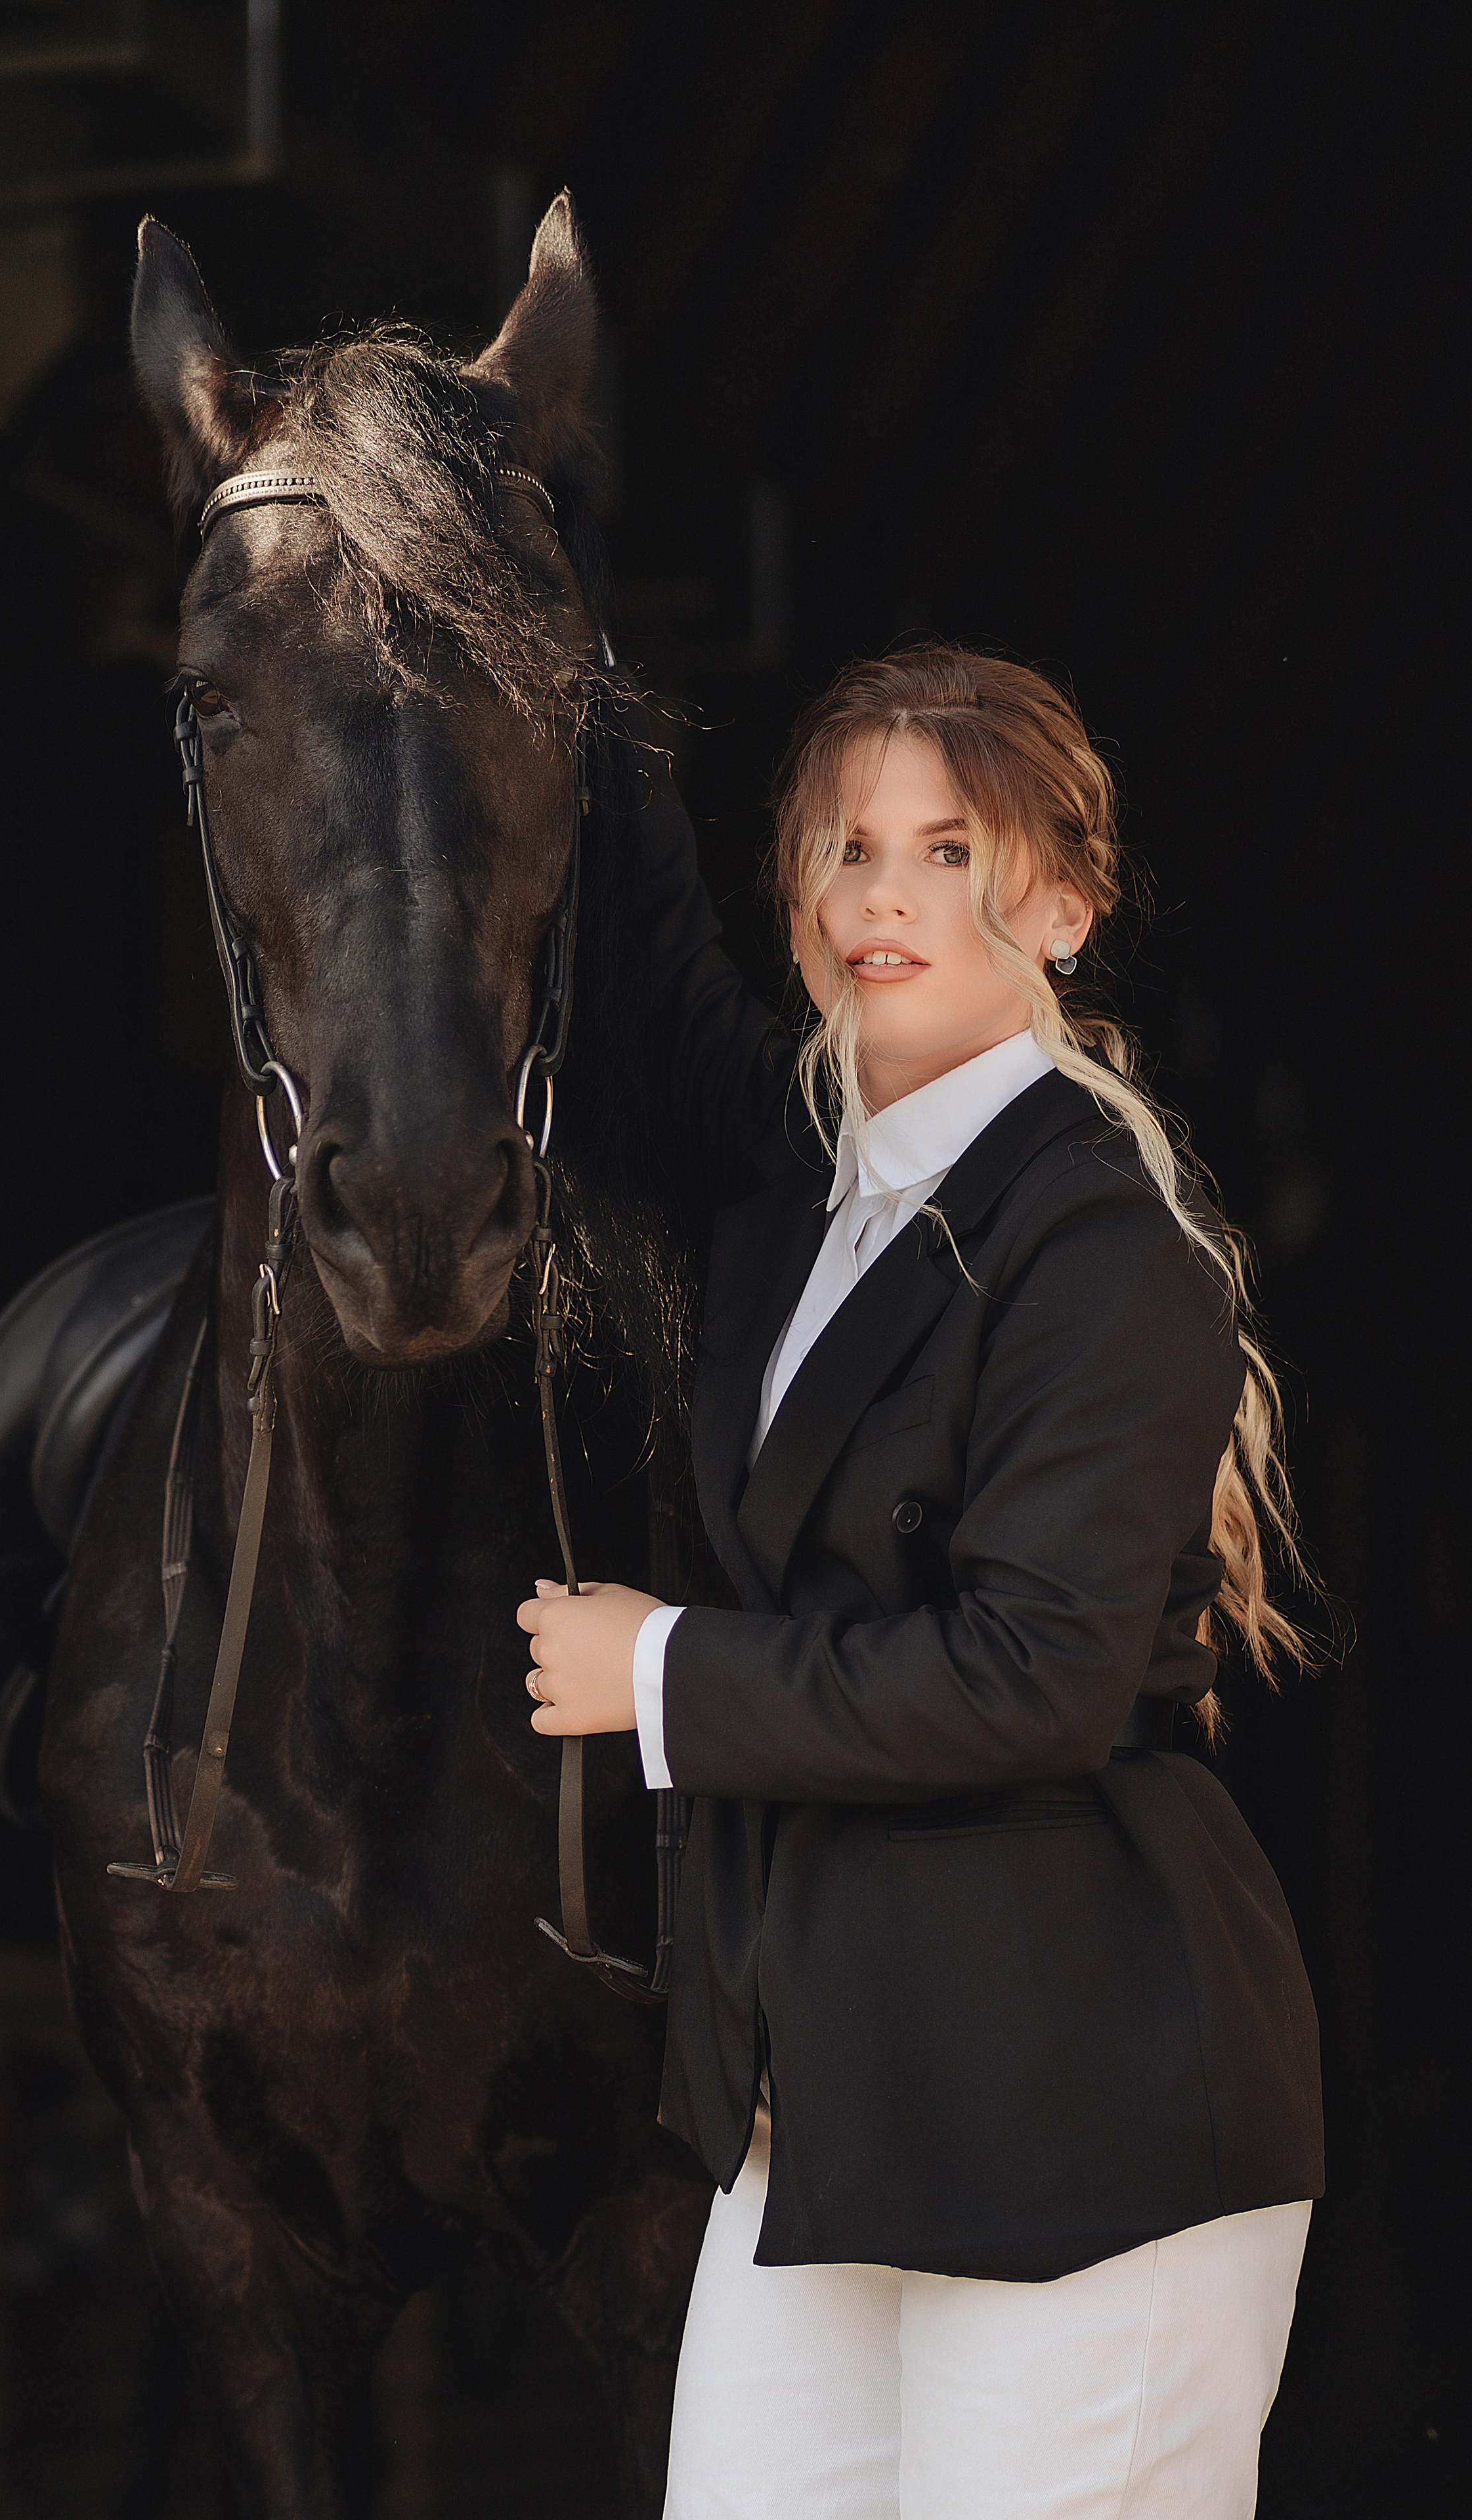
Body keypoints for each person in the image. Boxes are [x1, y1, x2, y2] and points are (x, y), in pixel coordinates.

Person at [516, 644, 1323, 2520]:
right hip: (826, 2131)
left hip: (1084, 2119)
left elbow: (1032, 1673)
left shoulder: (1106, 1246)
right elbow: (654, 984)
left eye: (949, 851)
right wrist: (562, 657)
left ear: (1061, 901)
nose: (884, 895)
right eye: (843, 851)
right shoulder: (805, 1209)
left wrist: (664, 1680)